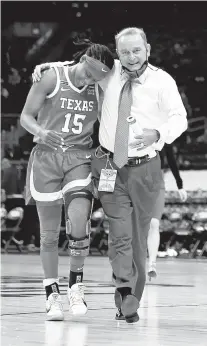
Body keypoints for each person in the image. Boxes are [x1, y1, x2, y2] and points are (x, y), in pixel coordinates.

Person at [33, 27, 188, 324]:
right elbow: (80, 67)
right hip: (109, 165)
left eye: (137, 50)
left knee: (140, 238)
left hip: (146, 167)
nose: (131, 57)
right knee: (119, 233)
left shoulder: (162, 81)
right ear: (118, 53)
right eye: (125, 51)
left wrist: (159, 133)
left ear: (148, 49)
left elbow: (179, 118)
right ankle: (124, 291)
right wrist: (50, 67)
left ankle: (133, 294)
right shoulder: (109, 71)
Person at [20, 43, 114, 321]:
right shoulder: (51, 77)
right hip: (47, 158)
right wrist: (39, 131)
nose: (88, 81)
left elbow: (122, 71)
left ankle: (76, 284)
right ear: (82, 60)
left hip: (79, 158)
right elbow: (25, 116)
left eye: (95, 79)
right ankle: (51, 294)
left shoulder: (100, 85)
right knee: (48, 234)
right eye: (87, 74)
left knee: (78, 223)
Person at [147, 143, 187, 279]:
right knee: (138, 225)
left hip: (158, 182)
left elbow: (171, 160)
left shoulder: (163, 136)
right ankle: (131, 263)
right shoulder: (137, 130)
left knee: (154, 224)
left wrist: (180, 185)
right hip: (137, 179)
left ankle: (152, 264)